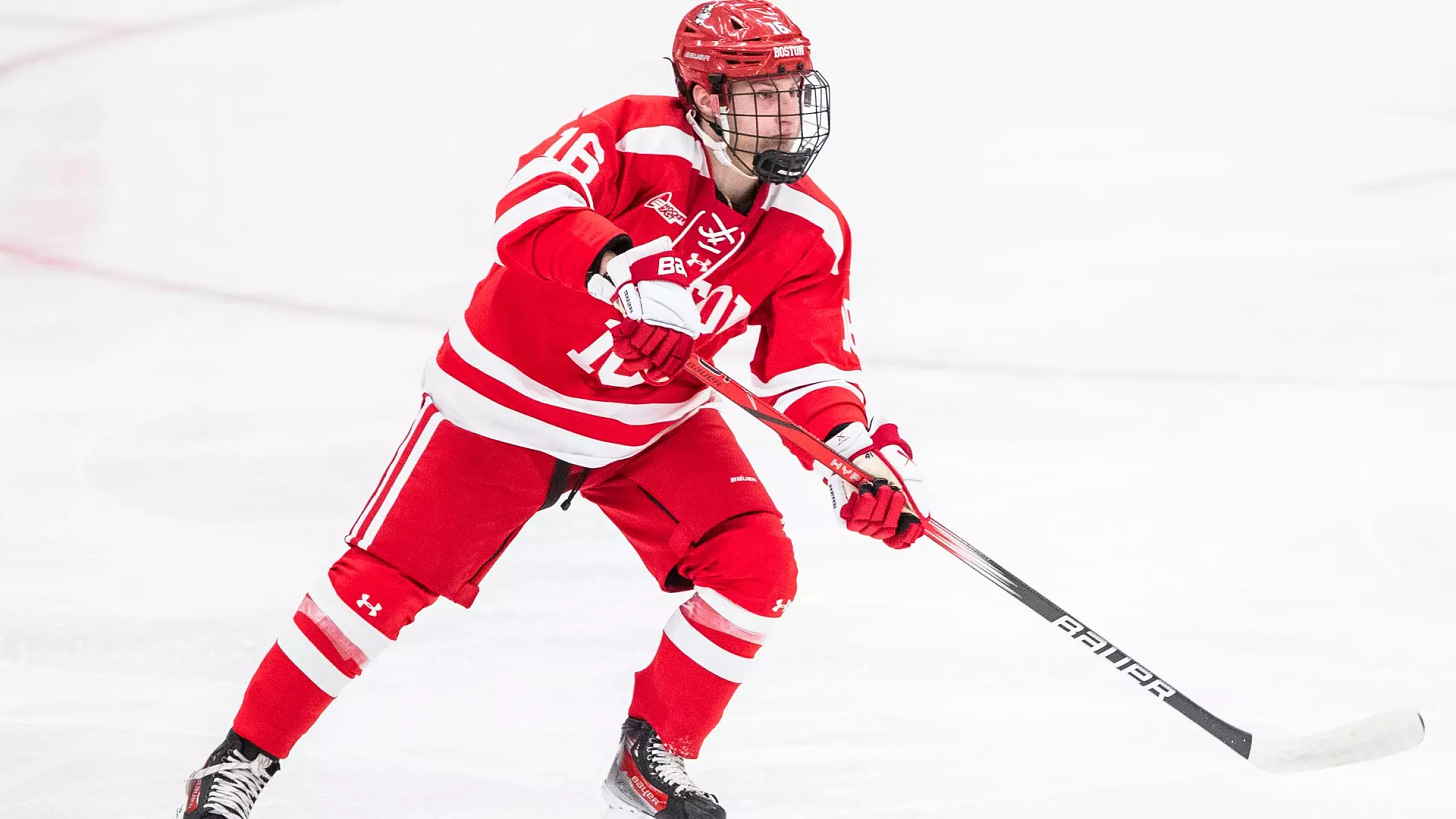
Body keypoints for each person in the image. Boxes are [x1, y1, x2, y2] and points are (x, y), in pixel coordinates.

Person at [177, 2, 924, 817]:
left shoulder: (812, 227)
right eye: (764, 90)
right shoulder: (635, 136)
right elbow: (530, 203)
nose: (791, 110)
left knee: (756, 565)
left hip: (648, 429)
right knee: (378, 586)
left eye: (795, 86)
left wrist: (855, 456)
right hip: (506, 406)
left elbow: (809, 369)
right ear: (704, 95)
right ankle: (239, 761)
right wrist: (625, 272)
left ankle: (653, 759)